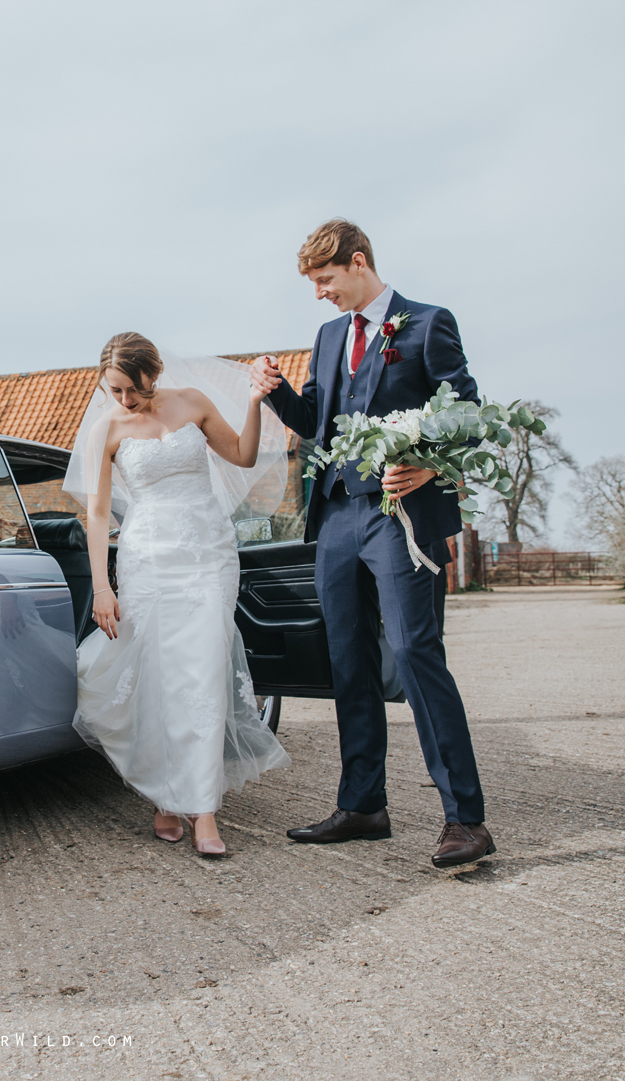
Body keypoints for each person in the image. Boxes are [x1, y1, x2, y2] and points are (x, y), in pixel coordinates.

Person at [250, 218, 495, 868]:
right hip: (335, 519)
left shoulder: (426, 323)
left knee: (415, 651)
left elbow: (466, 411)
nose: (320, 295)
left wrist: (433, 466)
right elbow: (317, 424)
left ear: (359, 263)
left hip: (399, 514)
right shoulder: (329, 338)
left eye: (326, 281)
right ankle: (362, 805)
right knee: (348, 663)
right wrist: (277, 396)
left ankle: (465, 818)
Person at [65, 332, 291, 857]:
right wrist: (103, 585)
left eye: (131, 389)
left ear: (154, 373)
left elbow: (243, 453)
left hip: (209, 554)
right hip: (149, 559)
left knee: (204, 671)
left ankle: (203, 809)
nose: (123, 400)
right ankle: (166, 797)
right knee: (162, 676)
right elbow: (98, 514)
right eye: (113, 390)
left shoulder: (193, 403)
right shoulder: (108, 427)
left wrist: (256, 403)